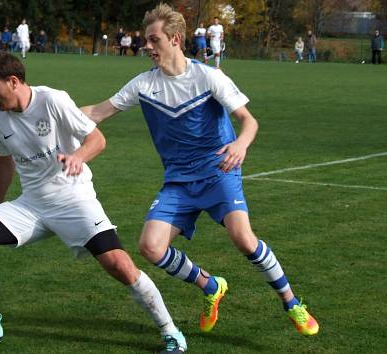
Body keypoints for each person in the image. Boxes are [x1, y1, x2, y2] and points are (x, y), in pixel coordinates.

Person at [80, 2, 319, 339]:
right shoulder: (143, 85)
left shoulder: (208, 76)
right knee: (150, 247)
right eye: (146, 41)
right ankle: (211, 286)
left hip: (218, 170)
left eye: (153, 40)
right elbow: (98, 113)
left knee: (243, 238)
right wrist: (50, 110)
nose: (146, 47)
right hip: (178, 181)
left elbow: (249, 121)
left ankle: (291, 302)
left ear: (175, 39)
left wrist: (240, 145)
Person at [0, 52, 187, 354]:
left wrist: (77, 158)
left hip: (74, 200)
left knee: (119, 265)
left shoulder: (52, 100)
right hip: (31, 205)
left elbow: (97, 140)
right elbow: (4, 161)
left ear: (13, 81)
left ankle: (171, 332)